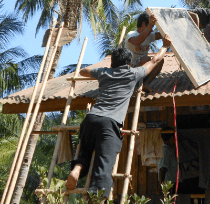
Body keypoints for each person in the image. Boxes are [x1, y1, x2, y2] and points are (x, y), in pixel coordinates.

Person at [65, 34, 172, 200]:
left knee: (85, 152)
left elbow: (83, 71)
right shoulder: (133, 74)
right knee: (104, 164)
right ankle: (97, 199)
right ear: (128, 63)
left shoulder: (104, 73)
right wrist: (165, 46)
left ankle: (77, 168)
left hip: (91, 118)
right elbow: (153, 61)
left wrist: (102, 71)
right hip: (109, 123)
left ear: (112, 62)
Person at [125, 12, 163, 92]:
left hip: (143, 69)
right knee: (146, 59)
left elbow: (161, 35)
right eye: (150, 26)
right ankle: (135, 84)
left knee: (160, 60)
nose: (152, 29)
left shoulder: (149, 35)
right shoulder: (131, 34)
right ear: (143, 24)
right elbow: (136, 42)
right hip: (130, 69)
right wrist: (150, 25)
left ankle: (145, 83)